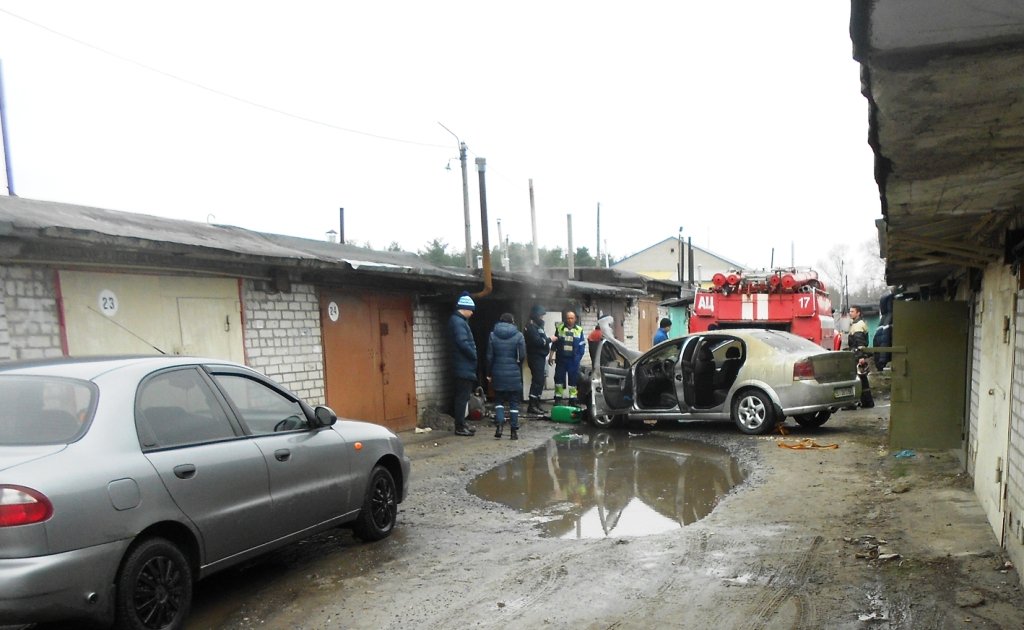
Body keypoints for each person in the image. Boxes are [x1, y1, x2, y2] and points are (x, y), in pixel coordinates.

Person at [487, 313, 527, 440]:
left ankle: (499, 426)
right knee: (514, 403)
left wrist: (489, 372)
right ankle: (513, 431)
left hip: (497, 371)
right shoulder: (518, 335)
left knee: (498, 401)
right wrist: (516, 364)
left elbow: (489, 356)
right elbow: (522, 355)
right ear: (512, 322)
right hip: (513, 371)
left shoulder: (493, 335)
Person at [448, 291, 478, 436]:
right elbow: (463, 343)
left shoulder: (458, 321)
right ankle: (460, 426)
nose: (472, 313)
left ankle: (462, 423)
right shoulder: (458, 322)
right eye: (471, 310)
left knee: (463, 397)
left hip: (462, 365)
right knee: (462, 397)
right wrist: (473, 355)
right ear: (464, 308)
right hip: (463, 365)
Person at [548, 309, 585, 406]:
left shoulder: (579, 330)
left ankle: (572, 400)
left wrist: (578, 357)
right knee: (559, 379)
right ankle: (558, 399)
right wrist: (551, 356)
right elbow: (554, 343)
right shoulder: (559, 328)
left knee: (573, 380)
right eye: (568, 318)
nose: (570, 320)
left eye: (572, 318)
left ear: (575, 319)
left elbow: (582, 345)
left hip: (573, 360)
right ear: (566, 318)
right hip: (561, 359)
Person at [523, 304, 551, 415]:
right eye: (540, 316)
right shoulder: (531, 327)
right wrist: (550, 340)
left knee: (540, 381)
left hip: (541, 356)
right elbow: (538, 341)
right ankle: (532, 405)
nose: (542, 318)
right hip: (535, 357)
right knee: (537, 381)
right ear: (535, 315)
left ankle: (537, 404)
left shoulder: (539, 326)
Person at [847, 305, 874, 408]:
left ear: (858, 313)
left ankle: (856, 403)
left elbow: (860, 343)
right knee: (862, 379)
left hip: (857, 355)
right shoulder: (856, 324)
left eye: (852, 311)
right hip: (858, 355)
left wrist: (860, 357)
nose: (850, 313)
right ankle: (867, 402)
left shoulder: (858, 325)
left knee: (858, 379)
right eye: (850, 311)